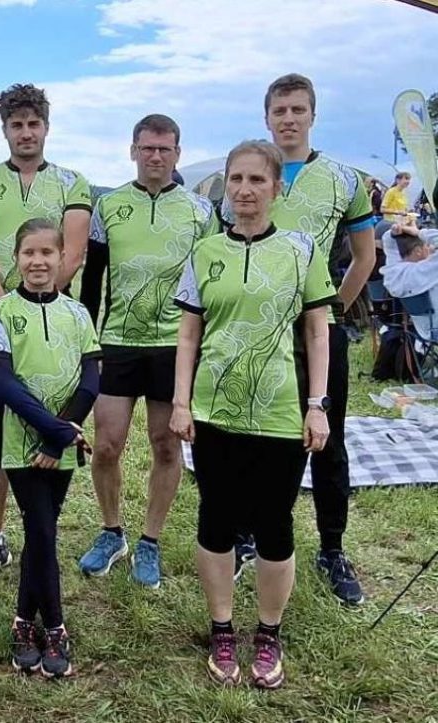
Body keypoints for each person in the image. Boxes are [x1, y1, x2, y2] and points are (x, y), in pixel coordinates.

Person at [171, 140, 335, 689]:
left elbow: (317, 332)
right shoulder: (204, 252)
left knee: (274, 523)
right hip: (213, 411)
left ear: (276, 188)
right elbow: (188, 335)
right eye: (236, 179)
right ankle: (222, 628)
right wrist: (180, 402)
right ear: (226, 184)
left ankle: (268, 633)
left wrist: (317, 406)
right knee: (215, 518)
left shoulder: (301, 250)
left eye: (257, 180)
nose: (245, 189)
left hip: (280, 411)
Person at [225, 74, 375, 603]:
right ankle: (245, 535)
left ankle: (332, 547)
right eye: (279, 110)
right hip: (254, 331)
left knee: (326, 437)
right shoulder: (248, 174)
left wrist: (332, 309)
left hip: (316, 333)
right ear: (266, 117)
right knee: (251, 434)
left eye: (297, 109)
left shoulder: (343, 179)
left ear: (313, 115)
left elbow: (365, 256)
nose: (288, 119)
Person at [77, 114, 217, 588]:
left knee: (165, 444)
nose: (155, 156)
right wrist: (86, 343)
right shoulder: (110, 205)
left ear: (178, 153)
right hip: (117, 342)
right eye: (147, 148)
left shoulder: (200, 210)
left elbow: (210, 283)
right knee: (106, 445)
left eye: (165, 149)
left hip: (173, 346)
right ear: (133, 150)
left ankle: (150, 540)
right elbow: (93, 280)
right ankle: (111, 531)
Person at [0, 83, 92, 590]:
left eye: (33, 123)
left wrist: (39, 303)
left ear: (46, 127)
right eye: (16, 125)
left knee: (50, 417)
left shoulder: (72, 182)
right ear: (4, 130)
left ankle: (43, 531)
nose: (26, 132)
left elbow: (72, 252)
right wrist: (6, 308)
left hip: (55, 320)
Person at [0, 218, 99, 678]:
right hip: (20, 445)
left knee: (41, 531)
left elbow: (90, 379)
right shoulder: (1, 312)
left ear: (63, 258)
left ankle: (22, 621)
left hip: (60, 443)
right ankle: (55, 627)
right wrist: (55, 431)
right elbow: (3, 382)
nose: (38, 261)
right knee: (43, 531)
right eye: (29, 253)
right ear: (16, 258)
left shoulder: (78, 314)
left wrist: (57, 437)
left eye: (47, 252)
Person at [381, 224, 438, 340]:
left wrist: (393, 232)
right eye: (427, 246)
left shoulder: (393, 274)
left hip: (423, 332)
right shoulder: (426, 270)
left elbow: (389, 246)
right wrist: (419, 232)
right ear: (418, 251)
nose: (430, 248)